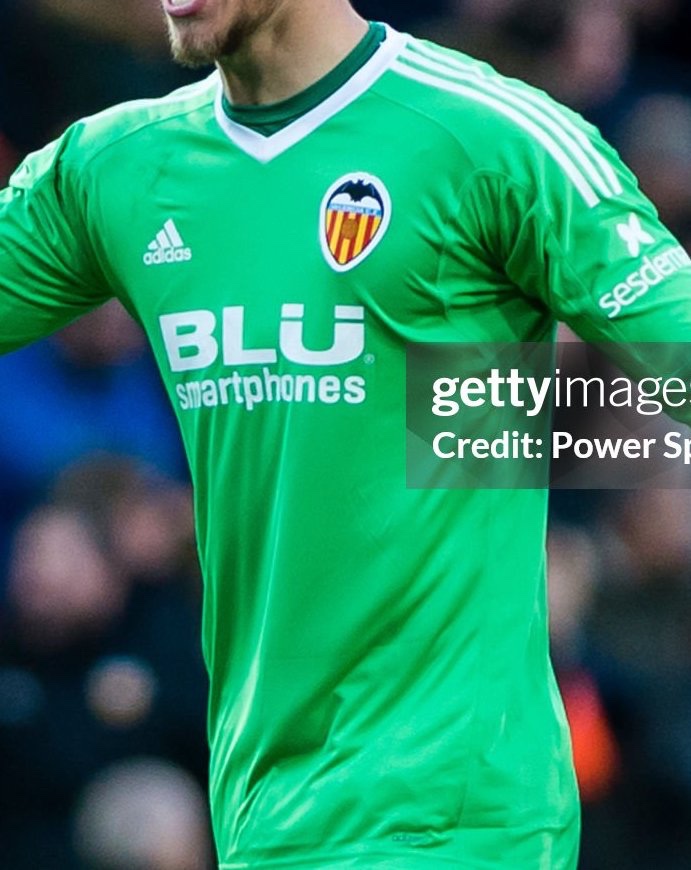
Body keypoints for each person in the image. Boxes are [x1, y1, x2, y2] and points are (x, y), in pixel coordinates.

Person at [1, 1, 690, 866]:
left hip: (454, 819)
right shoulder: (117, 169)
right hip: (264, 815)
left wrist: (602, 504)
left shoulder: (488, 138)